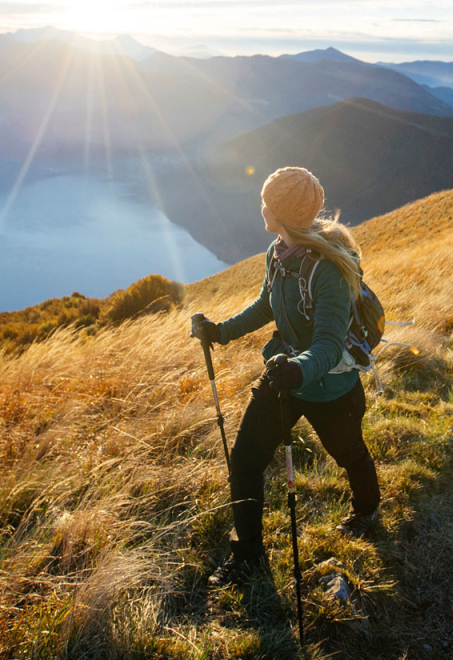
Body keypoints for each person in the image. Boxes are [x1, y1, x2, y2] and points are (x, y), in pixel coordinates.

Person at [190, 166, 381, 587]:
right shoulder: (277, 252)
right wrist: (220, 332)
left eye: (268, 203)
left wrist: (299, 369)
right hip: (284, 378)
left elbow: (330, 345)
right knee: (244, 460)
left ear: (284, 213)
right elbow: (265, 306)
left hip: (329, 387)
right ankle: (248, 556)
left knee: (349, 454)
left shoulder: (327, 269)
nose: (261, 207)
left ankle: (367, 511)